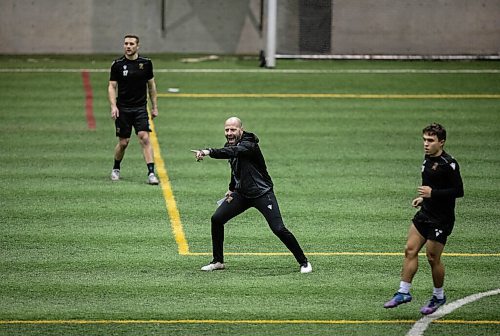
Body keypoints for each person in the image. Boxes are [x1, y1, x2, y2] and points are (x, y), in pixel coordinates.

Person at [192, 117, 312, 273]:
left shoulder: (249, 145)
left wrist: (208, 151)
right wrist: (232, 188)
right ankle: (218, 261)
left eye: (233, 129)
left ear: (241, 129)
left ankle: (304, 262)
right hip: (241, 194)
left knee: (278, 228)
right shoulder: (230, 145)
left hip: (262, 193)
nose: (229, 133)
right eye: (227, 130)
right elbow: (235, 167)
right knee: (217, 219)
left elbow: (235, 152)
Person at [384, 123, 464, 315]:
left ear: (441, 142)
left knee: (432, 258)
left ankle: (438, 296)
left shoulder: (449, 164)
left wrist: (432, 193)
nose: (426, 144)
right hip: (425, 213)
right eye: (424, 140)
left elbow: (458, 191)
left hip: (441, 219)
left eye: (430, 140)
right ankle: (403, 292)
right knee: (409, 250)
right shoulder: (428, 159)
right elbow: (429, 184)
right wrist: (423, 197)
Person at [108, 34, 159, 185]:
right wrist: (113, 106)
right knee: (124, 142)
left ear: (138, 46)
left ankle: (151, 173)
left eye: (131, 44)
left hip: (140, 108)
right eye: (126, 44)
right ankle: (116, 168)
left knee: (144, 137)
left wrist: (154, 107)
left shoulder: (146, 63)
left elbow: (151, 86)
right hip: (123, 109)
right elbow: (112, 86)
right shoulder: (117, 64)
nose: (128, 46)